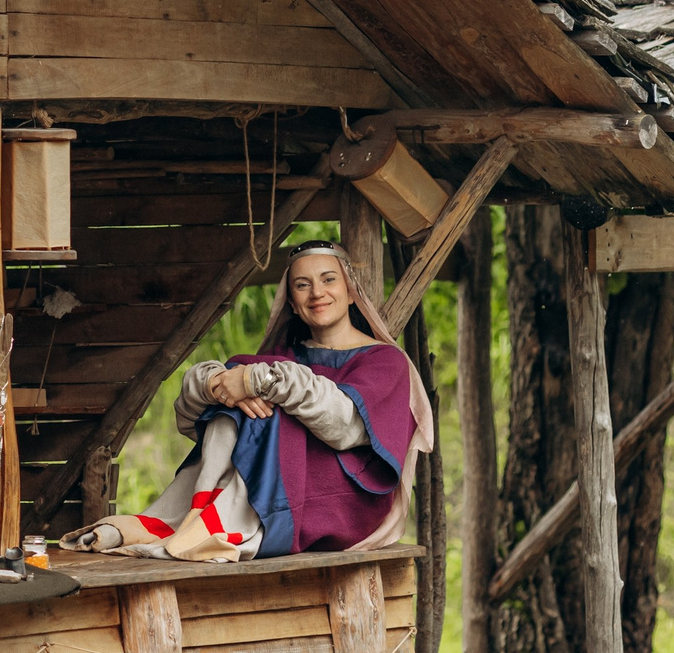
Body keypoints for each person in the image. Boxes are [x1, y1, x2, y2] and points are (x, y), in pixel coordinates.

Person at [66, 239, 433, 561]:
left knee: (263, 406)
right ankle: (178, 522)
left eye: (328, 279)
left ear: (351, 290)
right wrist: (217, 384)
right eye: (302, 285)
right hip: (279, 489)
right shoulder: (285, 356)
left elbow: (344, 428)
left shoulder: (384, 361)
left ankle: (206, 528)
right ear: (291, 301)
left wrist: (259, 380)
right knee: (239, 395)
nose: (316, 293)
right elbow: (188, 418)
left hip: (340, 503)